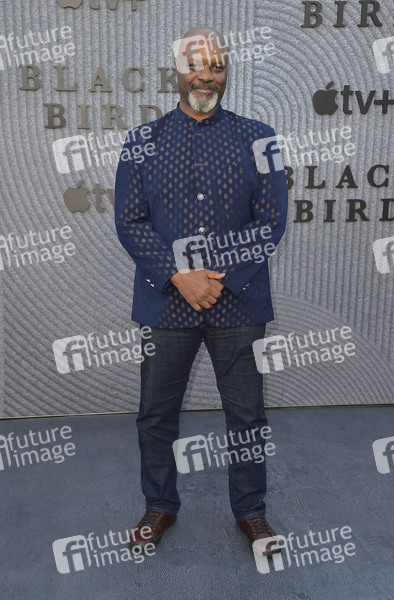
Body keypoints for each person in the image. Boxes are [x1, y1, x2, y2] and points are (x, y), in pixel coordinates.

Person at [114, 25, 288, 557]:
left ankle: (251, 512)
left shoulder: (260, 138)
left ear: (227, 71)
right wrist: (180, 275)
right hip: (165, 303)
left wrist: (219, 278)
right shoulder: (141, 142)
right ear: (177, 69)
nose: (206, 75)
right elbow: (130, 220)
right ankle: (159, 506)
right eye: (195, 64)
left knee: (247, 416)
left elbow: (270, 220)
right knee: (155, 414)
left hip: (240, 303)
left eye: (216, 65)